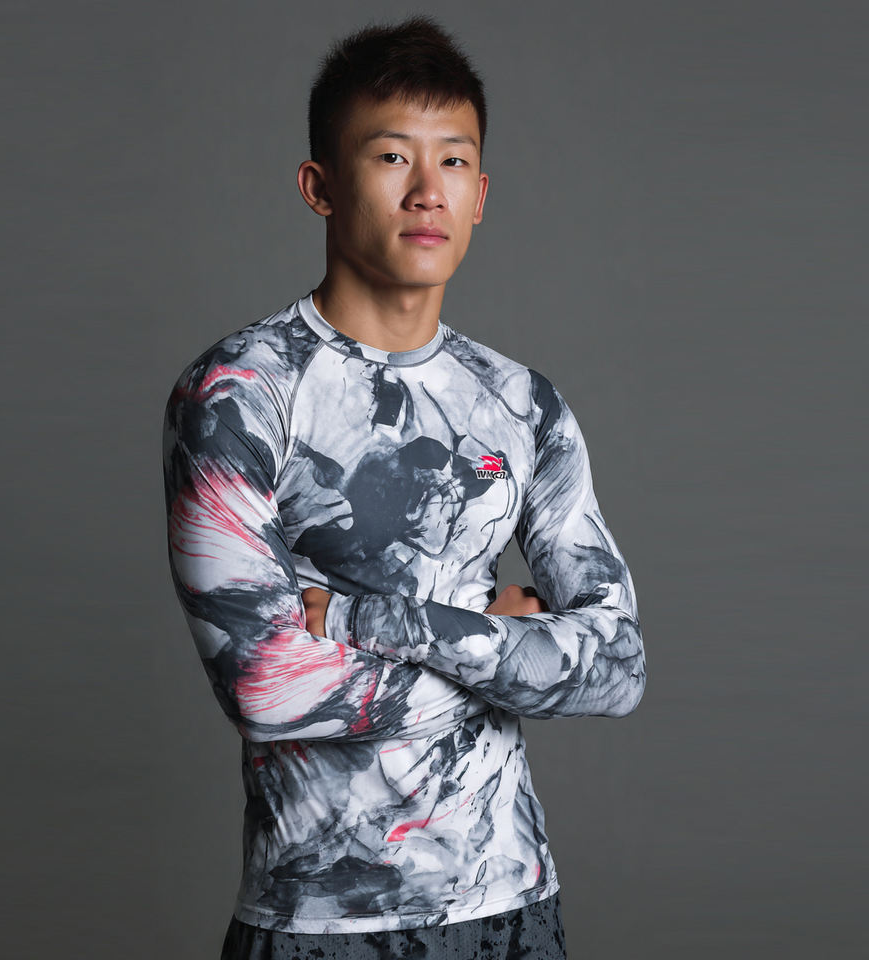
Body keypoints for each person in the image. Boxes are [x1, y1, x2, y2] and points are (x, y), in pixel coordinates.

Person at [162, 15, 646, 960]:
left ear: (480, 195)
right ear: (320, 186)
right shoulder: (240, 394)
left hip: (514, 907)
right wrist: (506, 641)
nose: (428, 191)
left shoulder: (523, 404)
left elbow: (619, 667)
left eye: (454, 162)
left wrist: (372, 620)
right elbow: (266, 686)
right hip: (318, 923)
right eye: (392, 156)